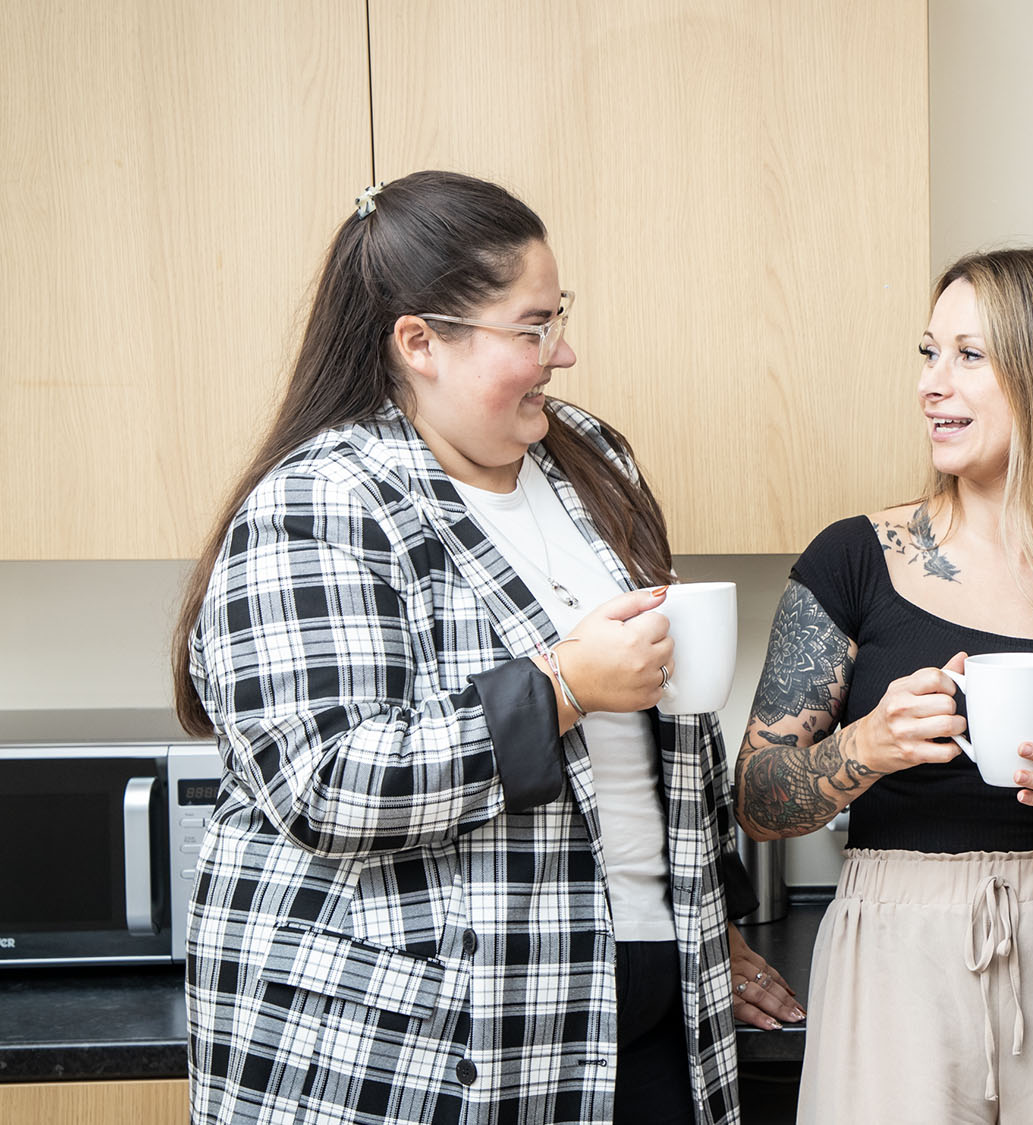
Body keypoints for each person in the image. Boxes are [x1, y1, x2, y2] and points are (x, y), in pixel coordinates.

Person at [172, 170, 798, 1125]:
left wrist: (711, 927)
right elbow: (326, 779)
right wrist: (560, 689)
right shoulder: (322, 502)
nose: (566, 352)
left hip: (645, 1000)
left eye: (561, 317)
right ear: (420, 341)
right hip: (420, 1045)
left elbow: (658, 746)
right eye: (533, 327)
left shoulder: (591, 457)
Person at [733, 247, 1033, 1124]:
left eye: (969, 356)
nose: (931, 384)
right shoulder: (853, 559)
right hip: (894, 957)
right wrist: (864, 747)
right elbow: (761, 800)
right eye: (929, 353)